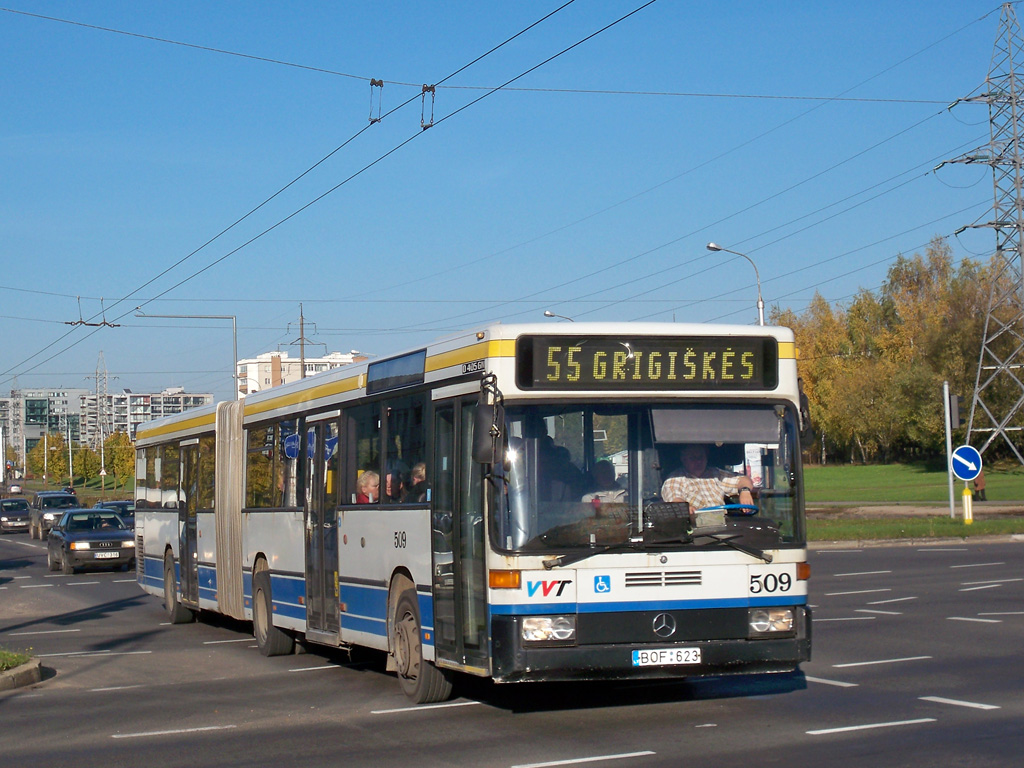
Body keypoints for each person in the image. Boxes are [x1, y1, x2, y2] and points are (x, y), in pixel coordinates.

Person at [661, 444, 754, 510]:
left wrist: (745, 491)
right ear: (684, 459)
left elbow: (743, 479)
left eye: (701, 457)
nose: (698, 462)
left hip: (723, 524)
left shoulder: (715, 474)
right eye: (693, 458)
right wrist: (686, 508)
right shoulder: (674, 479)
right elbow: (675, 500)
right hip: (695, 529)